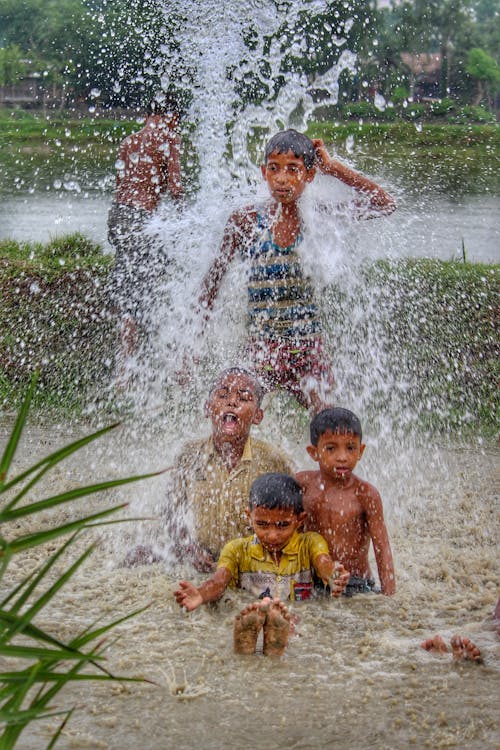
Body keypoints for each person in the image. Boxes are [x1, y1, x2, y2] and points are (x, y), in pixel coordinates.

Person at [198, 129, 396, 413]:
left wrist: (334, 168)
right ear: (264, 172)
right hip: (261, 347)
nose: (282, 179)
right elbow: (213, 278)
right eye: (275, 169)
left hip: (307, 350)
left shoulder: (318, 218)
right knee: (231, 414)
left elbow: (384, 204)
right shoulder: (245, 221)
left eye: (293, 169)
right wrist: (193, 342)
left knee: (330, 422)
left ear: (309, 175)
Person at [124, 367, 293, 572]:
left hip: (250, 558)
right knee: (137, 554)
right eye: (222, 395)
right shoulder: (189, 455)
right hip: (203, 556)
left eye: (244, 398)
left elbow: (295, 517)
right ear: (207, 408)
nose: (232, 402)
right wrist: (189, 549)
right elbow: (172, 512)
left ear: (258, 416)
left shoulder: (273, 460)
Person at [174, 472, 350, 656]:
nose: (272, 535)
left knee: (295, 623)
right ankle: (251, 636)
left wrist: (333, 575)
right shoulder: (236, 549)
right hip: (252, 611)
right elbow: (219, 581)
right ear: (249, 517)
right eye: (262, 524)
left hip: (291, 616)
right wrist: (201, 595)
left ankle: (273, 635)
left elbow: (323, 563)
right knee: (251, 612)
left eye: (282, 525)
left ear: (300, 520)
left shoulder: (310, 543)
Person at [107, 94, 185, 380]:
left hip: (118, 215)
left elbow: (122, 184)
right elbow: (175, 188)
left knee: (128, 285)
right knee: (147, 286)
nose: (175, 128)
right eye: (175, 122)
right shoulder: (168, 138)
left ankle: (126, 364)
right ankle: (132, 368)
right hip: (141, 219)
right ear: (171, 117)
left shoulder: (128, 141)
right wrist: (186, 221)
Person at [296, 407, 396, 596]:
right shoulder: (303, 484)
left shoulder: (366, 494)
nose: (342, 457)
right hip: (311, 581)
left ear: (361, 451)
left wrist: (389, 598)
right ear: (313, 452)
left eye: (350, 448)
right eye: (331, 448)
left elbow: (382, 549)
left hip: (356, 583)